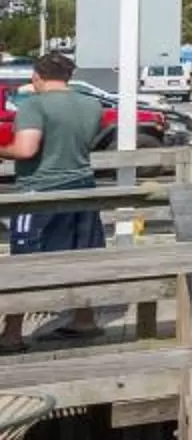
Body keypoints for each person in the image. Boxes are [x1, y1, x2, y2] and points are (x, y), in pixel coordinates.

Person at [3, 53, 110, 347]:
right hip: (83, 187)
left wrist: (3, 149)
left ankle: (12, 333)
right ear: (68, 76)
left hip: (40, 191)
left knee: (24, 261)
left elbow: (26, 149)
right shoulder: (92, 104)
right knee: (82, 255)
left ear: (37, 75)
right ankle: (84, 319)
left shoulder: (33, 105)